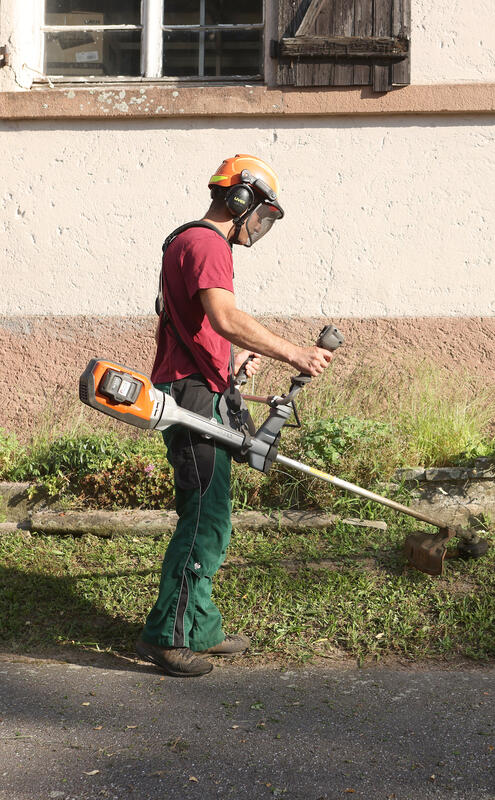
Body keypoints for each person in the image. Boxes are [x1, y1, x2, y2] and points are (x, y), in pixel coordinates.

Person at [135, 154, 332, 677]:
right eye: (262, 213)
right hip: (193, 394)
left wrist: (231, 358)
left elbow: (200, 326)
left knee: (211, 513)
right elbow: (224, 317)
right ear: (241, 200)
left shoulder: (186, 241)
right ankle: (173, 635)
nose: (260, 227)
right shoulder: (207, 243)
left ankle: (200, 628)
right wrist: (294, 353)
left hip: (195, 384)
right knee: (205, 516)